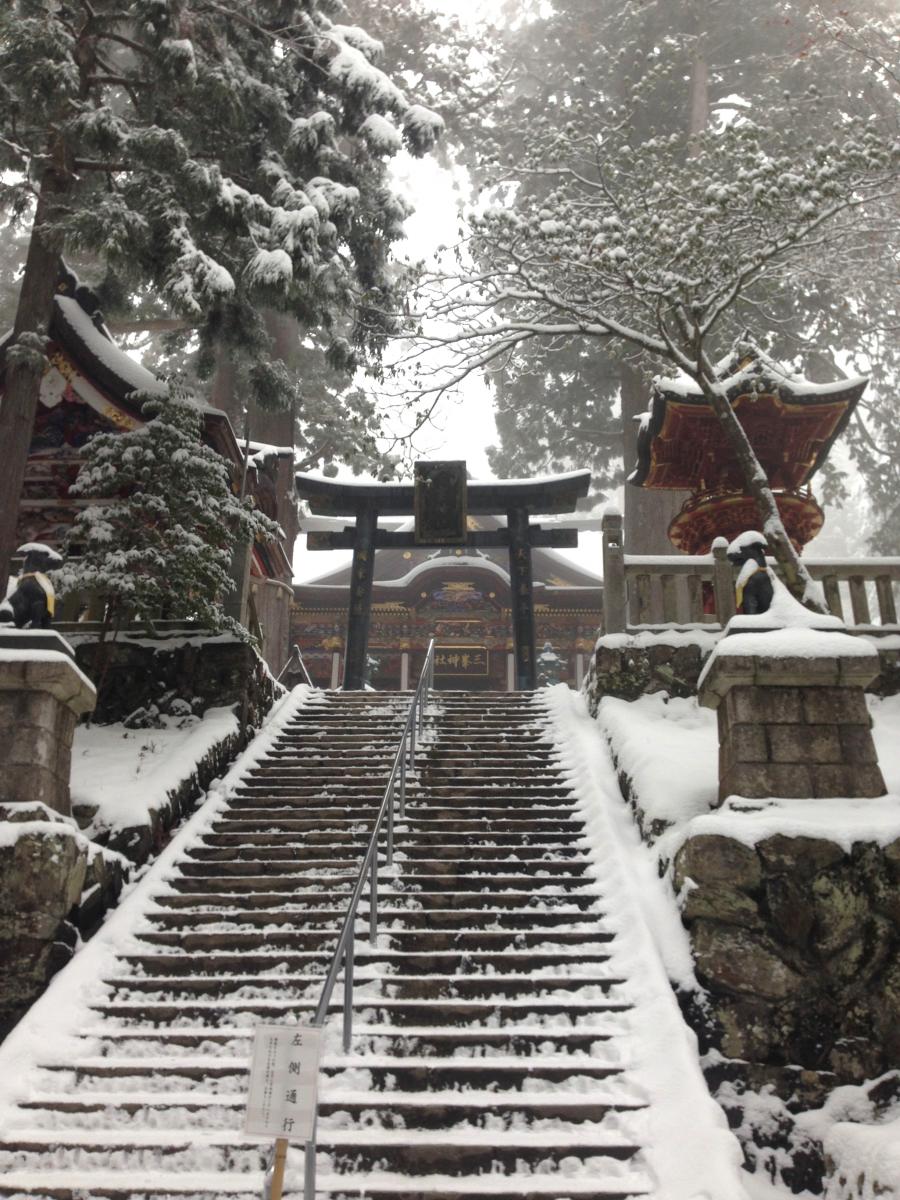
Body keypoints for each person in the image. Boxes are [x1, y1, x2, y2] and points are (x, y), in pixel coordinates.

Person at [0, 543, 63, 628]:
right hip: (12, 618)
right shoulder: (29, 582)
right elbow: (37, 604)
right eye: (46, 555)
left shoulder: (41, 581)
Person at [726, 531, 773, 615]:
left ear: (754, 549)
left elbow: (750, 607)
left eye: (742, 550)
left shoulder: (752, 580)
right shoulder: (769, 575)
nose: (737, 553)